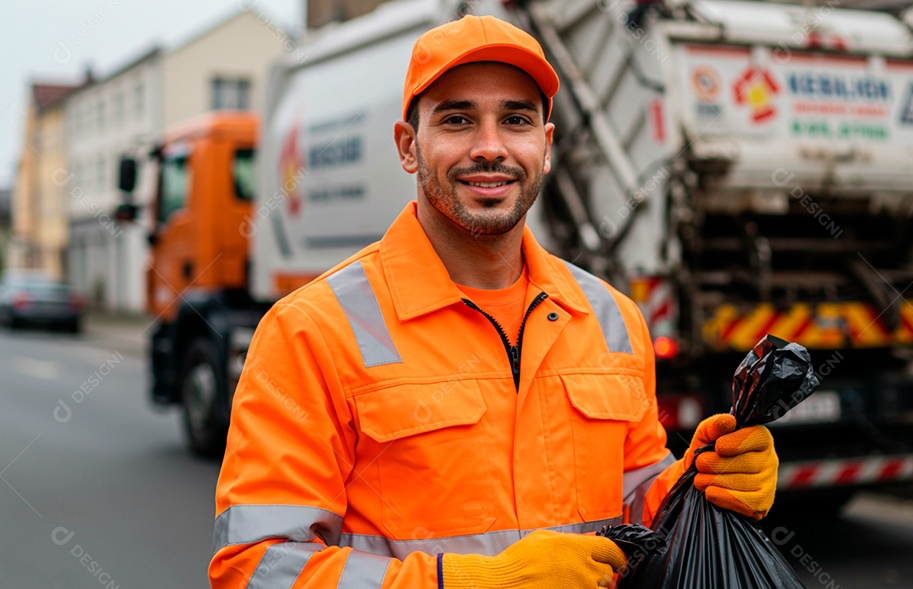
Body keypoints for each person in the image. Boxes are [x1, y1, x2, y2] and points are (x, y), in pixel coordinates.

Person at [209, 14, 778, 589]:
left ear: (546, 146)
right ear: (409, 146)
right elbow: (256, 567)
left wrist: (701, 484)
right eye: (457, 120)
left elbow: (633, 510)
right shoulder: (311, 331)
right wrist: (470, 583)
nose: (490, 148)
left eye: (516, 120)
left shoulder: (610, 318)